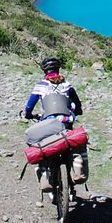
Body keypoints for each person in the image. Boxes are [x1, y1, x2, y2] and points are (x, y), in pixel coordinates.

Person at [21, 57, 87, 200]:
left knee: (39, 143)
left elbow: (29, 106)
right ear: (58, 70)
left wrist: (28, 114)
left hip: (49, 124)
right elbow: (77, 104)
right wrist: (78, 111)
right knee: (71, 147)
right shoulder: (67, 85)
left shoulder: (41, 86)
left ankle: (44, 173)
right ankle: (72, 179)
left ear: (45, 71)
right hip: (66, 124)